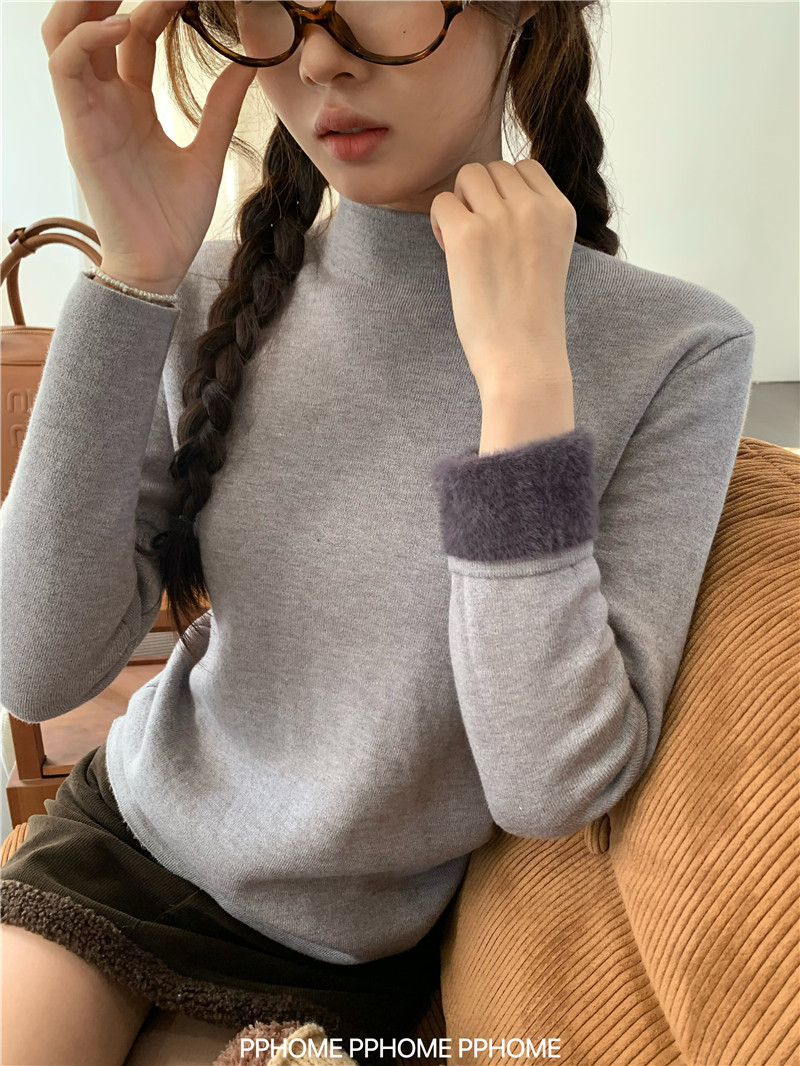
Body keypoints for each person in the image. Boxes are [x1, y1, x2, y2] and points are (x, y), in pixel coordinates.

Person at [0, 1, 755, 1064]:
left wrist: (521, 385)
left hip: (344, 954)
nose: (317, 57)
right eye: (279, 5)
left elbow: (549, 784)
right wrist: (129, 274)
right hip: (125, 843)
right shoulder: (210, 286)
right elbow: (33, 669)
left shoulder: (678, 346)